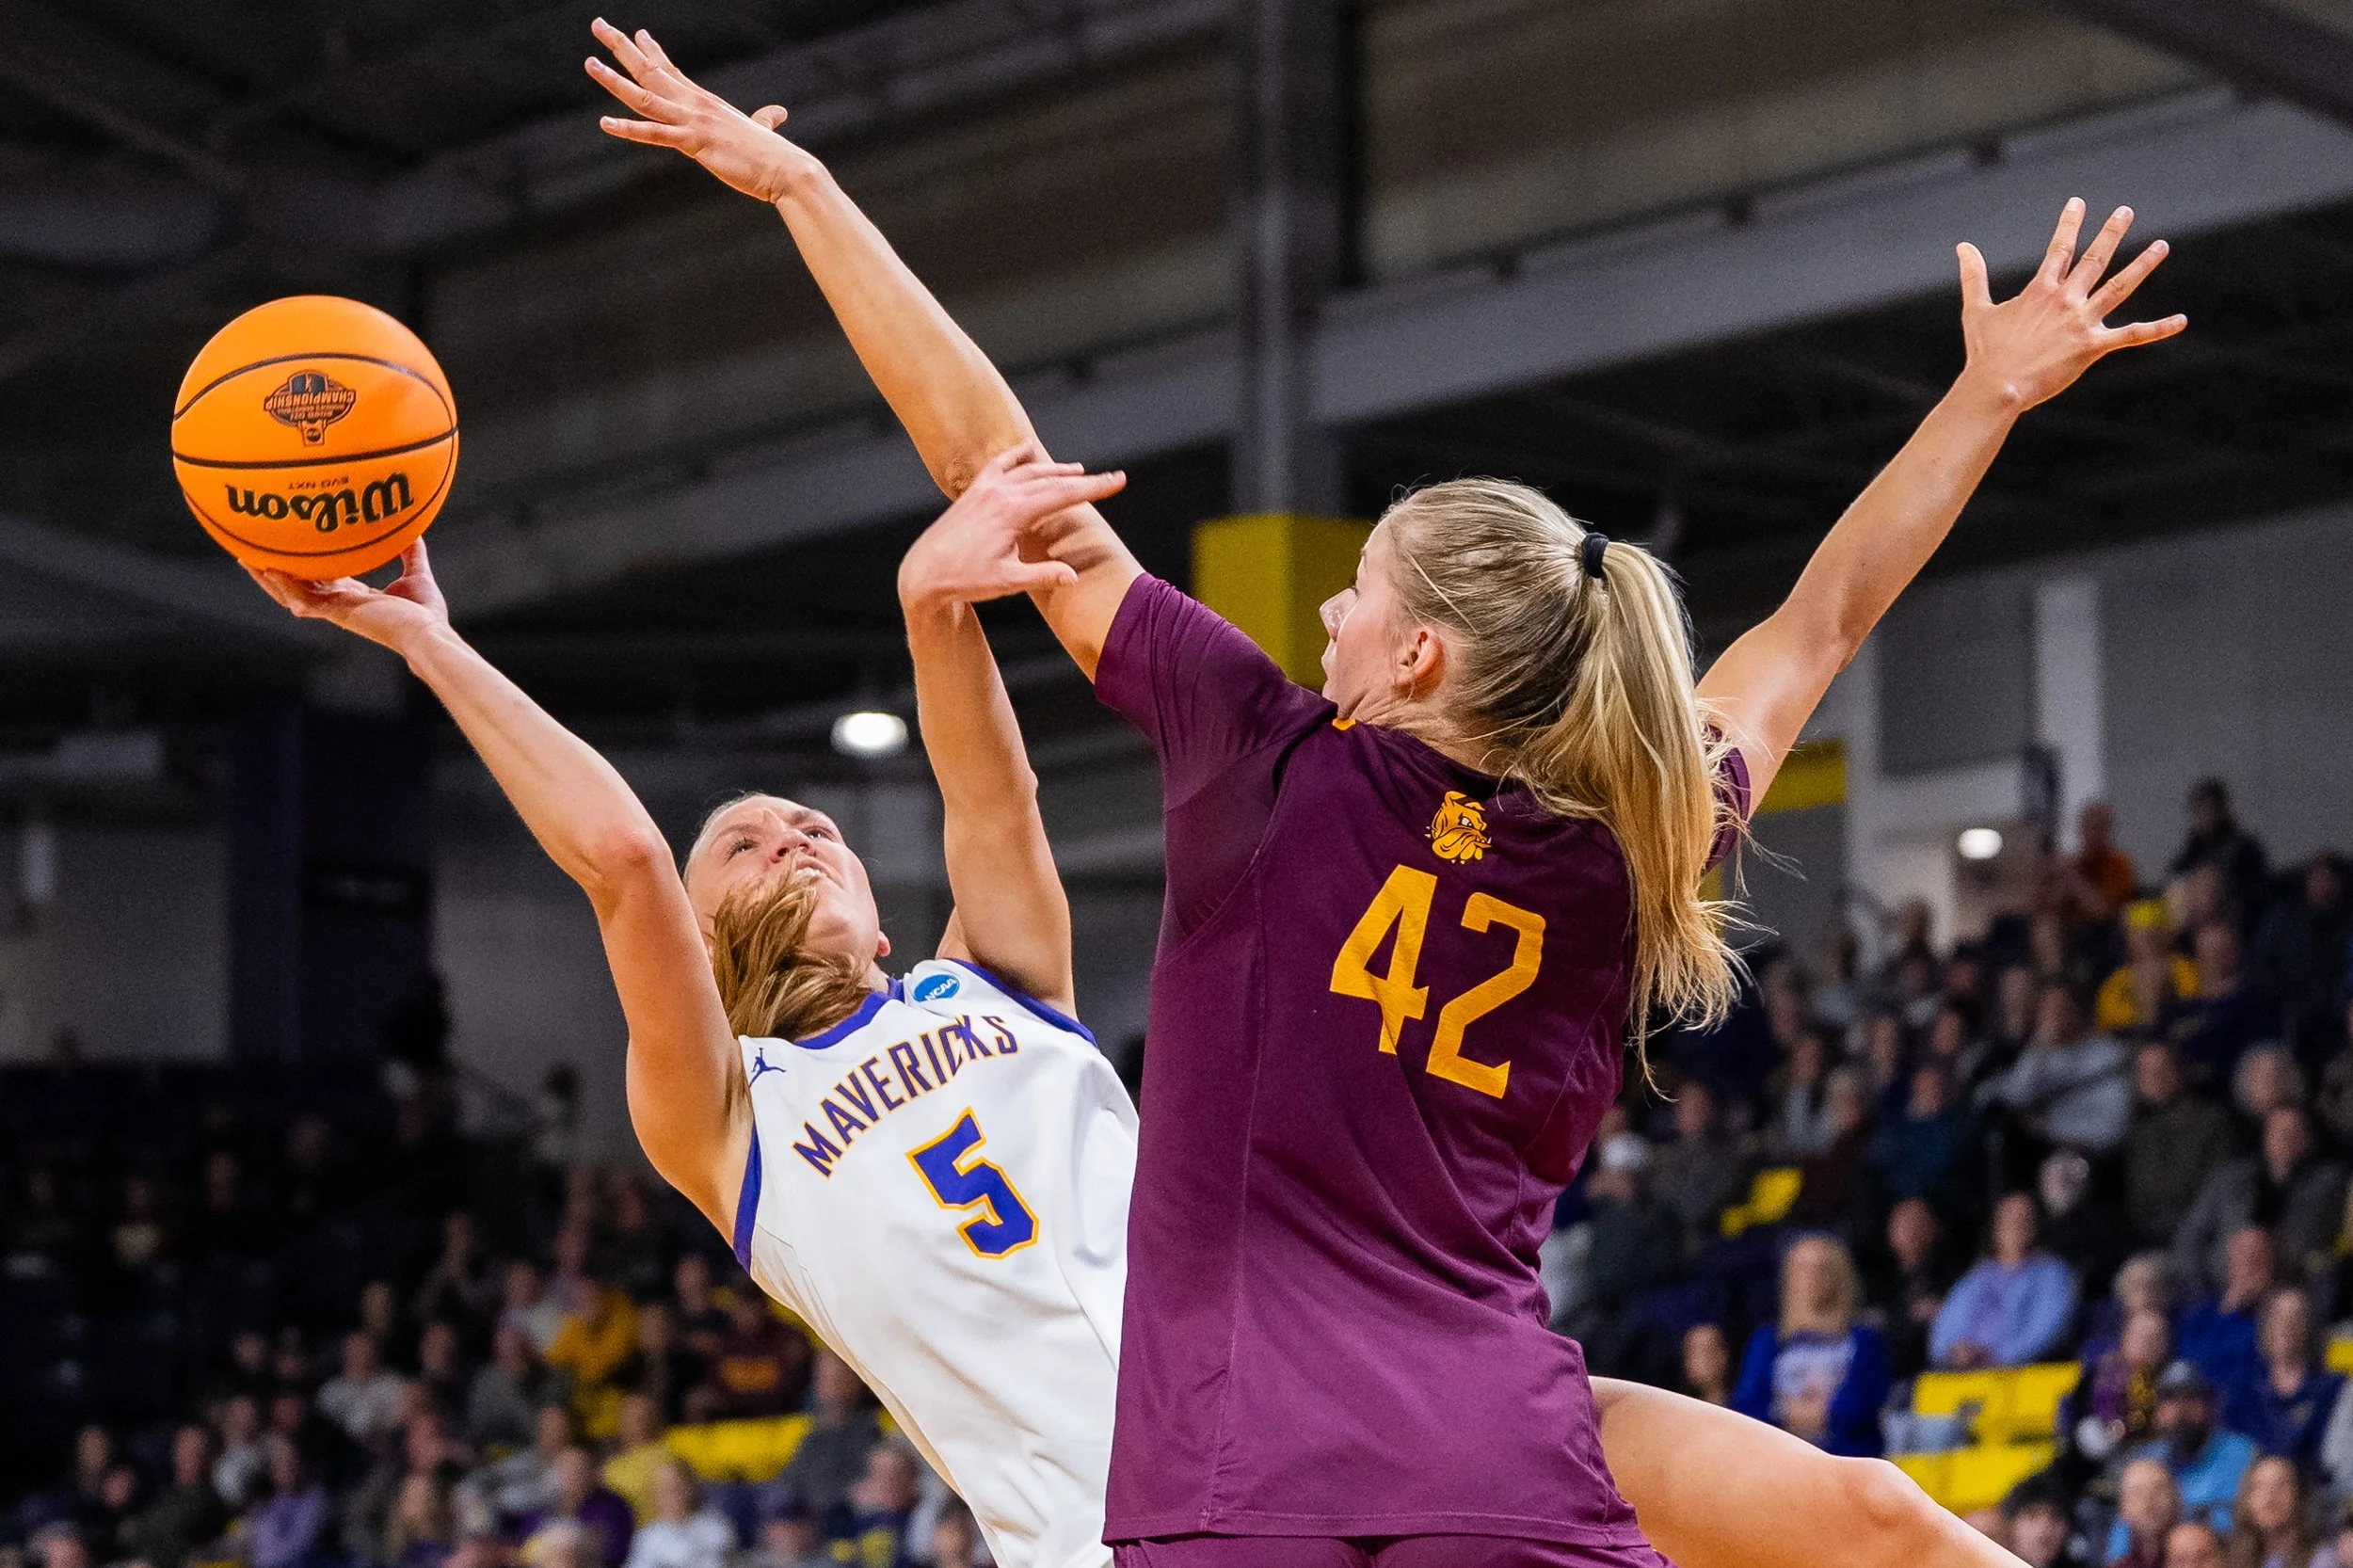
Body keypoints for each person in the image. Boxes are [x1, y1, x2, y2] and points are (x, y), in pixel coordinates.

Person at [583, 20, 2183, 1568]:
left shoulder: (1263, 761)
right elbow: (1818, 621)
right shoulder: (1624, 832)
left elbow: (997, 470)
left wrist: (806, 192)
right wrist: (1987, 395)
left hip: (1233, 1473)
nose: (1330, 610)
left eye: (1356, 590)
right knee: (1884, 1524)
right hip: (1487, 1445)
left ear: (1416, 656)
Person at [1730, 1235, 1890, 1456]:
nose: (1812, 1277)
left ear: (1839, 1276)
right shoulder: (1765, 1340)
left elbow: (1860, 1409)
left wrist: (1789, 1412)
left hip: (1847, 1458)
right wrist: (1812, 1414)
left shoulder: (1865, 1340)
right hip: (1780, 1459)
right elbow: (1748, 1411)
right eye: (1803, 1269)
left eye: (1822, 1268)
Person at [2174, 1110, 2347, 1294]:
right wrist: (2200, 1287)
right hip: (2219, 1281)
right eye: (2278, 1131)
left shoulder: (2328, 1183)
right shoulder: (2229, 1178)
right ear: (2265, 1136)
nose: (2285, 1139)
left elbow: (2321, 1243)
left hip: (2289, 1286)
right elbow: (2191, 1235)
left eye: (2294, 1131)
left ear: (2308, 1139)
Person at [1981, 983, 2134, 1159]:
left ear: (2077, 1010)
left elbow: (2113, 1127)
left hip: (2090, 1156)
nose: (2055, 1015)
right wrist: (2039, 1047)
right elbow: (2012, 1099)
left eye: (2061, 1007)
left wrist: (2051, 1129)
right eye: (2047, 1009)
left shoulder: (2107, 1054)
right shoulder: (2034, 1055)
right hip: (2035, 1154)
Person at [1931, 1192, 2080, 1370]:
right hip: (1962, 1373)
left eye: (2025, 1218)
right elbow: (1944, 1330)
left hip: (2021, 1374)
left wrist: (1993, 1356)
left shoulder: (2053, 1274)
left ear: (2037, 1226)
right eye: (2009, 1218)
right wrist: (1955, 1352)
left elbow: (2047, 1331)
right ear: (1996, 1228)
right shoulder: (1977, 1276)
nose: (2016, 1225)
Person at [2126, 1045, 2235, 1249]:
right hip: (2143, 1233)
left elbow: (2214, 1186)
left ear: (2181, 1072)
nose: (2155, 1079)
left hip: (2195, 1231)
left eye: (2162, 1070)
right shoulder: (2139, 1129)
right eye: (2146, 1073)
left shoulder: (2211, 1121)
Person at [2131, 1363, 2257, 1535]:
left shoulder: (2242, 1455)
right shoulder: (2145, 1461)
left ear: (2208, 1406)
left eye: (2190, 1397)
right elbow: (2125, 1530)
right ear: (2157, 1413)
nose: (2181, 1410)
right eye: (2170, 1398)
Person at [2225, 1288, 2341, 1472]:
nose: (2287, 1326)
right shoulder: (2242, 1389)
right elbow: (2233, 1452)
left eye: (2296, 1318)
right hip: (2255, 1482)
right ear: (2265, 1325)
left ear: (2310, 1327)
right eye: (2278, 1317)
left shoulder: (2333, 1388)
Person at [2169, 782, 2268, 925]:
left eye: (2209, 809)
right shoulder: (2192, 852)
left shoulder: (2244, 849)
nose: (2205, 816)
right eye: (2200, 810)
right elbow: (2176, 878)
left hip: (2238, 920)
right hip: (2197, 924)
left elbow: (2257, 891)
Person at [619, 1460, 731, 1568]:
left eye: (675, 1487)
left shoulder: (716, 1527)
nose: (672, 1495)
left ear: (689, 1488)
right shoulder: (647, 1539)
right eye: (664, 1489)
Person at [2228, 1455, 2318, 1568]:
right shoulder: (2234, 1559)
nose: (2269, 1497)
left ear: (2299, 1496)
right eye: (2259, 1487)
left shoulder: (2321, 1560)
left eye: (2281, 1485)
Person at [2110, 1457, 2185, 1568]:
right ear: (2123, 1507)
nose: (2148, 1501)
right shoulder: (2120, 1566)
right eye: (2137, 1493)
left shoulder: (2196, 1560)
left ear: (2177, 1500)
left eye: (2158, 1490)